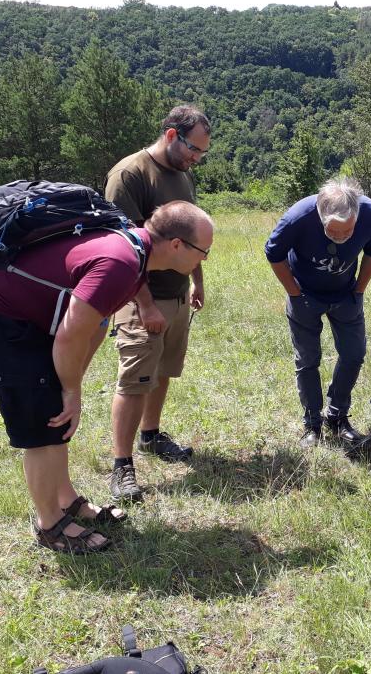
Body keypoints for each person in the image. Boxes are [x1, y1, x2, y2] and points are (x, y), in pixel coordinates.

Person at [0, 201, 214, 553]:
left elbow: (96, 323)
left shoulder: (136, 256)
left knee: (54, 413)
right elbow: (70, 334)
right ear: (176, 246)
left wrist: (72, 379)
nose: (204, 260)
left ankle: (67, 501)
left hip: (28, 319)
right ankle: (50, 525)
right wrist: (70, 389)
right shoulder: (122, 262)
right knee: (43, 423)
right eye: (204, 251)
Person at [104, 106, 211, 501]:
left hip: (178, 294)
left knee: (163, 369)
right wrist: (145, 305)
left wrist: (196, 279)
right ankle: (122, 466)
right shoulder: (129, 175)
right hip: (139, 298)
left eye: (202, 153)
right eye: (193, 149)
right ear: (171, 135)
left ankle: (150, 435)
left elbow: (193, 229)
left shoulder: (182, 175)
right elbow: (122, 249)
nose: (196, 159)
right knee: (134, 380)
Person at [265, 178, 371, 447]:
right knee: (308, 359)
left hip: (346, 295)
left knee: (354, 355)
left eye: (348, 232)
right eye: (334, 232)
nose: (341, 238)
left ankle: (337, 416)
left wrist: (359, 291)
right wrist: (294, 293)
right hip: (305, 295)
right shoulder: (299, 216)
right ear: (320, 216)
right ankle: (312, 424)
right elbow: (273, 253)